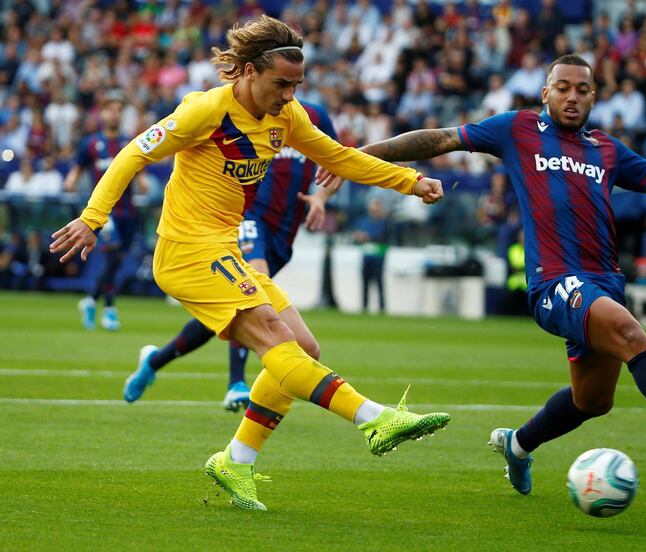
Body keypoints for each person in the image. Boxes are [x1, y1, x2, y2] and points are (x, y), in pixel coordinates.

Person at [320, 54, 646, 495]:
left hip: (605, 282)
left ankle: (518, 445)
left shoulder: (606, 149)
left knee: (592, 401)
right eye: (563, 88)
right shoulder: (518, 129)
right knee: (632, 334)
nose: (572, 96)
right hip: (555, 283)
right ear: (545, 93)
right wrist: (356, 156)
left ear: (593, 97)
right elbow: (440, 138)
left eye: (582, 90)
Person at [50, 16, 449, 512]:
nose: (289, 95)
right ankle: (374, 417)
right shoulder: (205, 110)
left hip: (223, 247)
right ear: (245, 71)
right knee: (277, 342)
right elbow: (134, 154)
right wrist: (93, 219)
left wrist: (409, 181)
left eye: (297, 85)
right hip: (187, 250)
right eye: (281, 84)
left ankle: (235, 460)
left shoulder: (288, 116)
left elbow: (340, 158)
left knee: (304, 346)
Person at [123, 100, 341, 412]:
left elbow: (338, 161)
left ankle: (154, 361)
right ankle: (236, 383)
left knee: (229, 316)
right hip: (246, 219)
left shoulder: (311, 116)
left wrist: (320, 197)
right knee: (250, 297)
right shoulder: (247, 111)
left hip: (284, 231)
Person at [64, 90, 148, 331]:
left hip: (128, 210)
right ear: (102, 113)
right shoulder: (91, 143)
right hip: (105, 213)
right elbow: (78, 167)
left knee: (119, 258)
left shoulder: (127, 143)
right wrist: (71, 180)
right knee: (112, 256)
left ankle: (91, 299)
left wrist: (142, 182)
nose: (115, 114)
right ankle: (109, 309)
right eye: (111, 109)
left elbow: (137, 167)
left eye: (119, 110)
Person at [353, 196, 389, 313]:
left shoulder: (384, 222)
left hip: (378, 256)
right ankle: (364, 307)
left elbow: (383, 237)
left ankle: (382, 308)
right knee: (365, 283)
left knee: (379, 282)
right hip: (366, 256)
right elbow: (357, 236)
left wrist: (367, 237)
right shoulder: (364, 221)